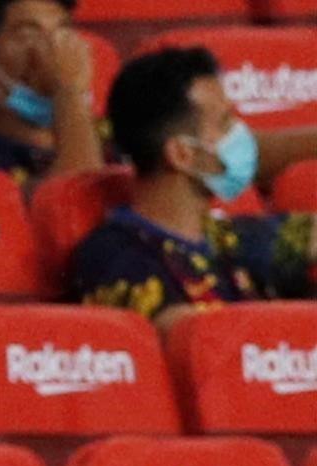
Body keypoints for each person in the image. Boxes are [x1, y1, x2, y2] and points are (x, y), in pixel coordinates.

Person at [70, 47, 317, 328]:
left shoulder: (227, 238)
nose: (242, 135)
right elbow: (194, 342)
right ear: (181, 155)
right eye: (225, 124)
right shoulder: (115, 254)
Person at [0, 0, 104, 189]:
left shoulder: (110, 145)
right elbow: (72, 203)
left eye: (62, 32)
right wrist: (68, 89)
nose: (53, 48)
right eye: (28, 34)